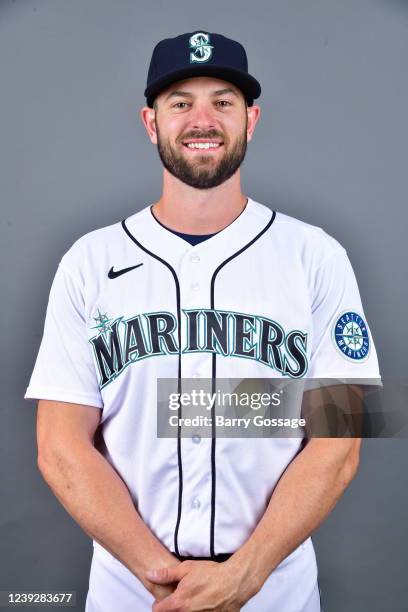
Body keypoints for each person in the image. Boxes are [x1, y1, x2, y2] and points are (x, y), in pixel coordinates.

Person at [24, 31, 381, 611]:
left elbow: (341, 444)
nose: (202, 118)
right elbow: (58, 445)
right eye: (180, 102)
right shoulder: (87, 261)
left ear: (252, 119)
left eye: (223, 100)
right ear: (150, 121)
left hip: (273, 589)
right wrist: (155, 572)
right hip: (131, 590)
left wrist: (246, 574)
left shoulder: (318, 256)